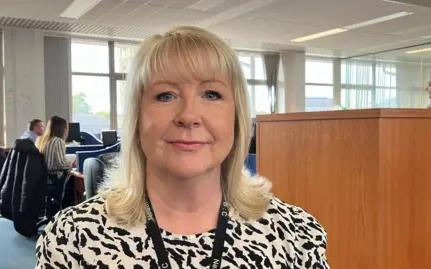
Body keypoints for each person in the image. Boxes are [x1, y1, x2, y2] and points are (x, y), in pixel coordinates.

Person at [36, 26, 329, 268]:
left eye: (211, 94)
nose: (189, 116)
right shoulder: (72, 238)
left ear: (237, 117)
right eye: (165, 95)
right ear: (137, 118)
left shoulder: (295, 234)